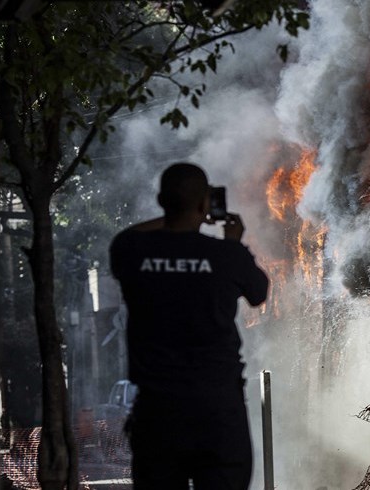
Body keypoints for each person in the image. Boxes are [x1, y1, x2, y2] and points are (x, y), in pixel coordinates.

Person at [110, 162, 269, 490]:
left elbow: (126, 235)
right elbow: (258, 294)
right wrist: (232, 241)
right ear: (205, 203)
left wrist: (177, 214)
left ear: (161, 201)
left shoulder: (132, 251)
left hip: (158, 412)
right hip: (218, 411)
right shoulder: (227, 254)